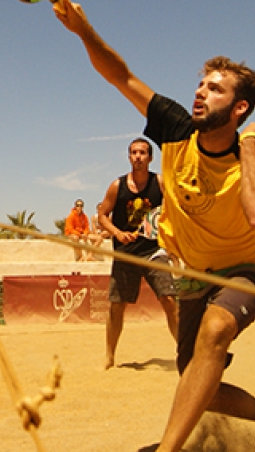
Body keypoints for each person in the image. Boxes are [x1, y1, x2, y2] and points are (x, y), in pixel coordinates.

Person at [54, 0, 255, 450]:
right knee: (197, 381)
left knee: (215, 331)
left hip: (246, 271)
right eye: (201, 85)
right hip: (191, 272)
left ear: (241, 107)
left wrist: (248, 146)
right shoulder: (175, 128)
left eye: (215, 89)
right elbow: (121, 76)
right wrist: (83, 32)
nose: (200, 93)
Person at [97, 138, 179, 368]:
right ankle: (109, 356)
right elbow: (103, 214)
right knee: (117, 306)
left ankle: (185, 352)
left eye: (142, 152)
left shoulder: (160, 183)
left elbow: (174, 208)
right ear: (129, 157)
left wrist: (171, 239)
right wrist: (117, 233)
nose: (138, 156)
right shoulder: (117, 186)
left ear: (150, 158)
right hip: (125, 253)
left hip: (154, 251)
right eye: (134, 152)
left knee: (169, 300)